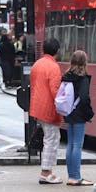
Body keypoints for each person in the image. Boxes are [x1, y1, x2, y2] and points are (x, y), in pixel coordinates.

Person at [29, 38, 63, 184]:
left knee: (49, 138)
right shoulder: (54, 67)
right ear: (57, 51)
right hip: (49, 108)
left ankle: (47, 171)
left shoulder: (37, 64)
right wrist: (63, 107)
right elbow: (55, 90)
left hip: (37, 106)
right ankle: (46, 172)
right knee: (51, 140)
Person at [62, 50, 94, 186]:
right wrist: (89, 114)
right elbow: (84, 98)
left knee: (70, 144)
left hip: (68, 112)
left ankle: (71, 175)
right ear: (84, 62)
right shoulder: (83, 78)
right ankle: (75, 177)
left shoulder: (66, 76)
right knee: (77, 145)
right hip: (79, 114)